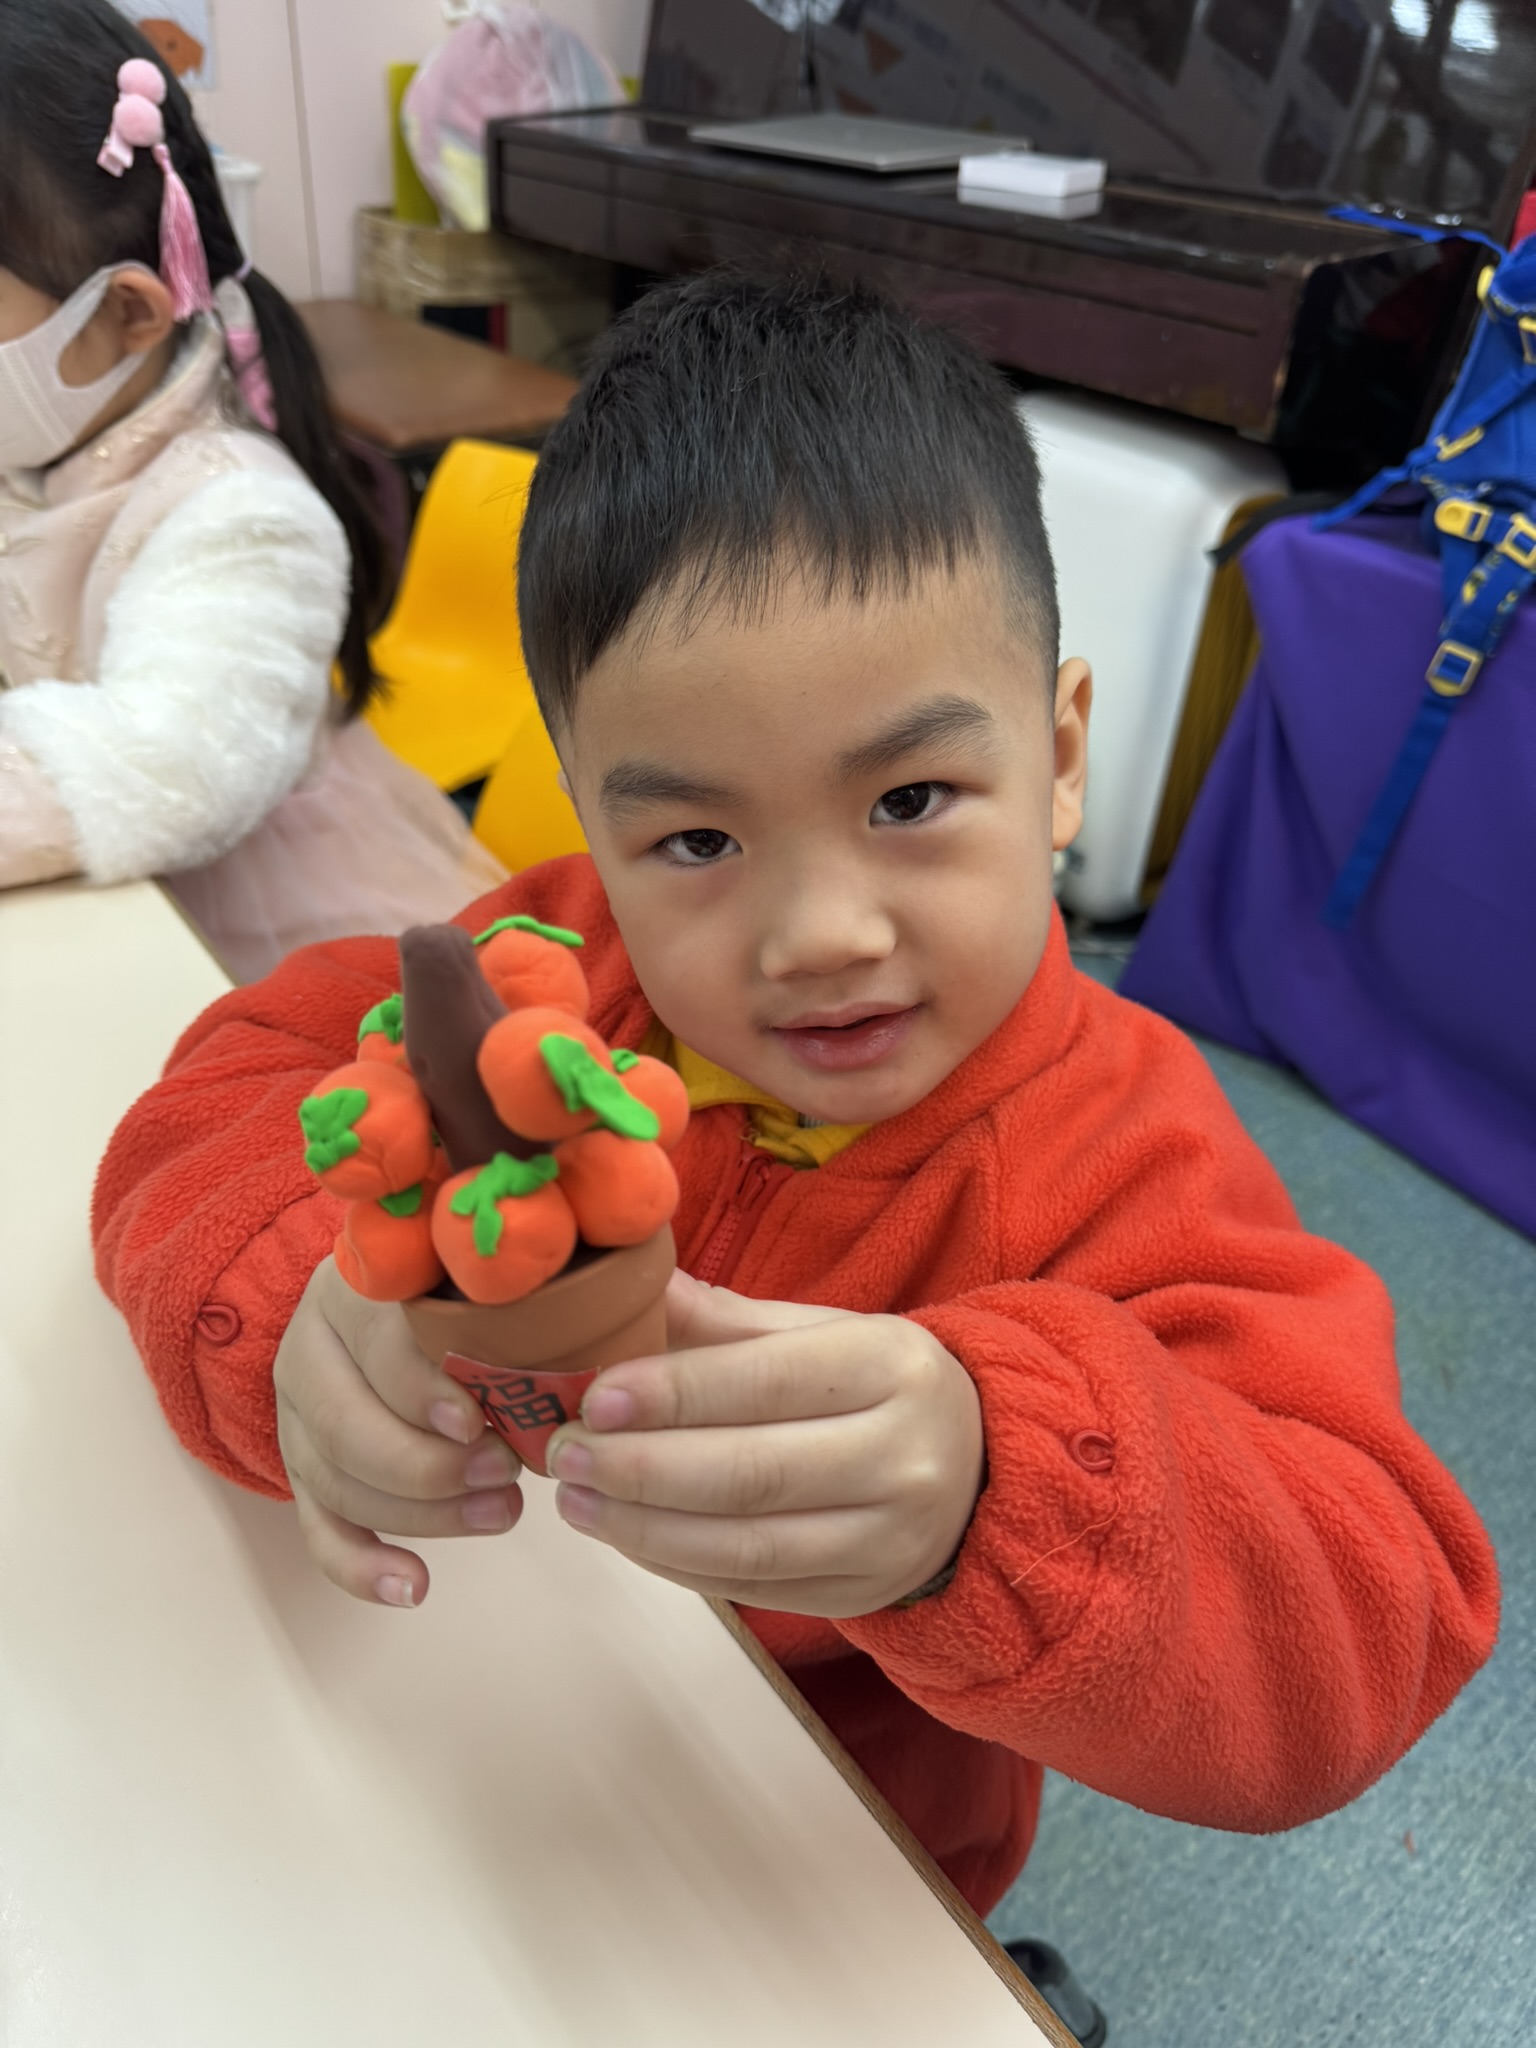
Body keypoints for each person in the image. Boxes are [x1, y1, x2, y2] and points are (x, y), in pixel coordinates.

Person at [94, 270, 1499, 1922]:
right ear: (594, 818)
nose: (822, 934)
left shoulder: (1130, 1154)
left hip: (826, 1857)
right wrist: (296, 1307)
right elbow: (227, 1086)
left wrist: (991, 1490)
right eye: (697, 839)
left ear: (1059, 760)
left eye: (911, 797)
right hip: (457, 1750)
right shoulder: (552, 974)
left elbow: (1375, 1608)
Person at [0, 0, 502, 980]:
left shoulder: (247, 519)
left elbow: (165, 761)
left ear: (128, 312)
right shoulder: (44, 439)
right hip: (122, 918)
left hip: (298, 960)